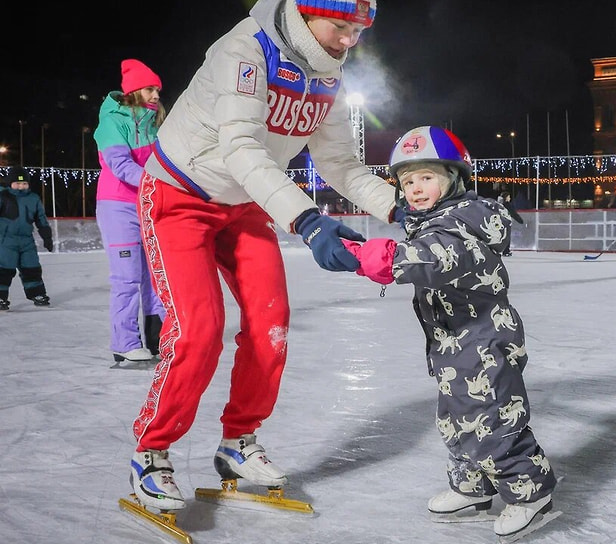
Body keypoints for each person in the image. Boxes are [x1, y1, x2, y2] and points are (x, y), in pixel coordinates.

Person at [127, 0, 398, 514]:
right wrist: (307, 219)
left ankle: (238, 442)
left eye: (359, 31)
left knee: (271, 327)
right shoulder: (245, 51)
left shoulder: (326, 73)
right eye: (340, 26)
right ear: (304, 13)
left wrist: (401, 207)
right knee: (198, 330)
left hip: (245, 201)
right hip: (179, 196)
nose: (348, 41)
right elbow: (242, 149)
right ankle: (152, 450)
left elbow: (340, 162)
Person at [342, 126, 558, 542]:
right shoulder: (435, 222)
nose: (416, 189)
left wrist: (357, 254)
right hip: (451, 341)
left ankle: (531, 492)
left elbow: (427, 260)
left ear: (453, 178)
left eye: (427, 178)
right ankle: (473, 487)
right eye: (408, 182)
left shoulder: (463, 225)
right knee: (457, 417)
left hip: (486, 341)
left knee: (493, 419)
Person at [93, 59, 167, 364]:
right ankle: (124, 342)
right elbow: (121, 165)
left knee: (155, 276)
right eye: (150, 88)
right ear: (135, 89)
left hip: (149, 205)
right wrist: (162, 184)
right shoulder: (111, 121)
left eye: (158, 90)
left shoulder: (157, 123)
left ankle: (158, 338)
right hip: (117, 205)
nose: (155, 95)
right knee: (127, 278)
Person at [0, 167, 53, 310]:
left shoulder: (33, 198)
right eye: (17, 183)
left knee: (32, 268)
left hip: (27, 241)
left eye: (24, 184)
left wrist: (47, 236)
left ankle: (37, 294)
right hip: (5, 240)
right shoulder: (3, 196)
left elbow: (40, 218)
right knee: (4, 269)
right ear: (10, 183)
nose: (21, 186)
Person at [496, 191, 524, 256]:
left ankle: (497, 250)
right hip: (505, 223)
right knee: (506, 237)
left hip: (498, 223)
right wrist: (520, 221)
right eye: (509, 197)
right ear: (506, 198)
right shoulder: (507, 205)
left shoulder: (498, 204)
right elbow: (514, 214)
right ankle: (506, 251)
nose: (510, 198)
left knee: (499, 237)